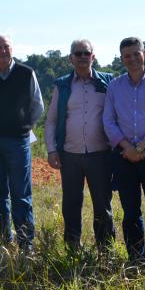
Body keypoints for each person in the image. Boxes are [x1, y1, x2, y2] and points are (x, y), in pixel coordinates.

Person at [103, 37, 145, 264]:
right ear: (122, 58)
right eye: (127, 56)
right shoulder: (115, 86)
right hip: (124, 157)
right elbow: (108, 121)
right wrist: (127, 148)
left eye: (136, 54)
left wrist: (141, 147)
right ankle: (137, 259)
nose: (132, 59)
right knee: (131, 212)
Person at [44, 39, 116, 252]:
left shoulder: (108, 82)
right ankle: (72, 247)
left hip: (100, 154)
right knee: (71, 204)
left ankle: (105, 249)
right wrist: (51, 149)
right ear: (71, 58)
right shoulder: (62, 85)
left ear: (93, 56)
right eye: (78, 53)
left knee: (103, 204)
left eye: (86, 53)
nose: (83, 57)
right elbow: (52, 120)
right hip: (70, 155)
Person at [0, 35, 44, 253]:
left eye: (6, 47)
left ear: (12, 48)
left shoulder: (26, 73)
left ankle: (26, 242)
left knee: (21, 192)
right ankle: (4, 238)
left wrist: (22, 125)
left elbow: (37, 106)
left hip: (18, 140)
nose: (3, 51)